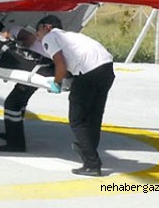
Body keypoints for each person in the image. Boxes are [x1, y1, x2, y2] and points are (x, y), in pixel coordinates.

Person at [35, 15, 115, 177]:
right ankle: (88, 154)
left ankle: (92, 163)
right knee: (94, 117)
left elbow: (60, 64)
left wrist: (57, 82)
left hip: (88, 72)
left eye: (38, 32)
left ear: (46, 27)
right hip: (107, 70)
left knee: (77, 120)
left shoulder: (50, 37)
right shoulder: (74, 36)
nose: (38, 37)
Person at [0, 25, 54, 152]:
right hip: (41, 68)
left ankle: (16, 143)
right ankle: (13, 133)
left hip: (37, 69)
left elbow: (30, 38)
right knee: (19, 102)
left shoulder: (14, 30)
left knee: (12, 104)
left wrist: (19, 50)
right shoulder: (15, 32)